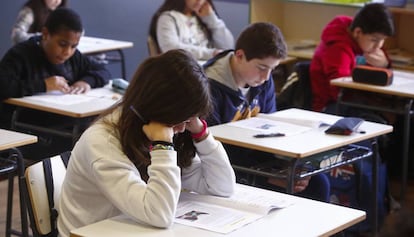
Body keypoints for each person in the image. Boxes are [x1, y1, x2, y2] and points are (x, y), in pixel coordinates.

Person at [57, 49, 236, 237]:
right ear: (159, 108)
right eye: (181, 119)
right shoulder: (103, 142)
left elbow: (222, 188)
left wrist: (201, 134)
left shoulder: (156, 129)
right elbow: (159, 215)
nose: (183, 129)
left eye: (189, 119)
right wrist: (163, 147)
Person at [204, 22, 330, 202]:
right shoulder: (209, 88)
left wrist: (286, 167)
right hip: (228, 167)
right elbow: (210, 149)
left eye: (273, 69)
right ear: (239, 55)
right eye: (262, 68)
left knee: (317, 183)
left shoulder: (262, 81)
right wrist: (266, 176)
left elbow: (269, 130)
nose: (266, 78)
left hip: (258, 158)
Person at [0, 8, 111, 158]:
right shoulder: (21, 55)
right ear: (45, 34)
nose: (67, 52)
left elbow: (102, 70)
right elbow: (3, 85)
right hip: (30, 126)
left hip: (64, 124)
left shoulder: (73, 58)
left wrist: (86, 82)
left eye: (73, 46)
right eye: (62, 44)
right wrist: (43, 85)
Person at [310, 3, 394, 113]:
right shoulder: (338, 48)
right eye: (374, 40)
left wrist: (385, 65)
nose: (379, 46)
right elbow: (340, 90)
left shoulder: (365, 43)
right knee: (383, 119)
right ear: (357, 32)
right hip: (331, 106)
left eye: (383, 40)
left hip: (355, 101)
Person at [149, 0, 234, 60]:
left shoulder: (203, 18)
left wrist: (212, 19)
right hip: (182, 73)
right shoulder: (168, 18)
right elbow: (171, 49)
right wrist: (210, 54)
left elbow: (228, 48)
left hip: (209, 72)